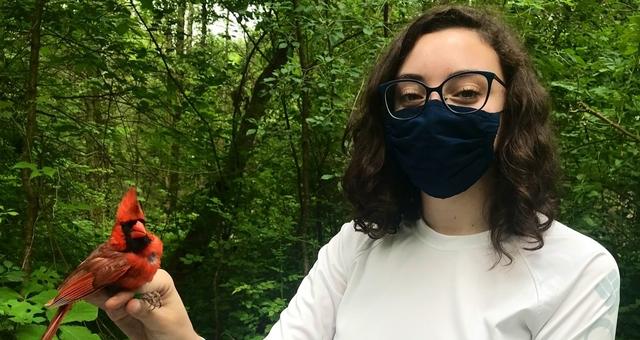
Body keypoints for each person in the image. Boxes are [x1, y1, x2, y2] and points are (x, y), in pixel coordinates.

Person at [91, 5, 620, 340]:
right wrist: (174, 337)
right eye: (410, 97)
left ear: (512, 116)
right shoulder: (354, 248)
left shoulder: (578, 271)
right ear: (387, 121)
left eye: (465, 92)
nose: (433, 111)